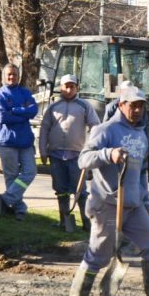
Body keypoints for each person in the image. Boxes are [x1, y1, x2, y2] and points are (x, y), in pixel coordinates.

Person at [69, 83, 149, 296]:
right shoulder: (106, 130)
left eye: (141, 106)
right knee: (99, 254)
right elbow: (83, 160)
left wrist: (146, 202)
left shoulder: (141, 134)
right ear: (121, 105)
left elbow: (142, 172)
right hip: (107, 204)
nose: (137, 110)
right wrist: (108, 154)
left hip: (134, 205)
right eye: (133, 106)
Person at [39, 73, 100, 233]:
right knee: (61, 190)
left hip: (77, 156)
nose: (69, 89)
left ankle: (86, 223)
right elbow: (44, 129)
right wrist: (43, 151)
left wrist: (90, 147)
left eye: (72, 86)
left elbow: (95, 126)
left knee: (80, 191)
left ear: (76, 88)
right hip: (56, 155)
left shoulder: (84, 106)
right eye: (66, 86)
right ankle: (64, 221)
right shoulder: (53, 107)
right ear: (61, 88)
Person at [0, 63, 38, 221]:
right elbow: (2, 117)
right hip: (7, 142)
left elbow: (34, 110)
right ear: (4, 76)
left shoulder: (25, 92)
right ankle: (19, 209)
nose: (12, 77)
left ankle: (5, 199)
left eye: (15, 74)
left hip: (25, 142)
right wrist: (24, 114)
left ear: (19, 76)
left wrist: (15, 110)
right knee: (11, 177)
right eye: (9, 74)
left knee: (30, 172)